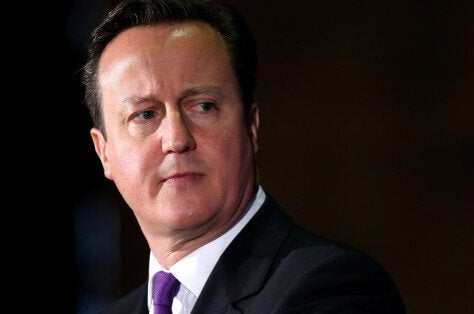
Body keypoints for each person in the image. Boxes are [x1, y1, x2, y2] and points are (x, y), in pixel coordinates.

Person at [81, 0, 406, 313]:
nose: (176, 139)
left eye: (203, 106)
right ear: (103, 152)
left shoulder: (332, 288)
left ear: (250, 126)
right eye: (145, 114)